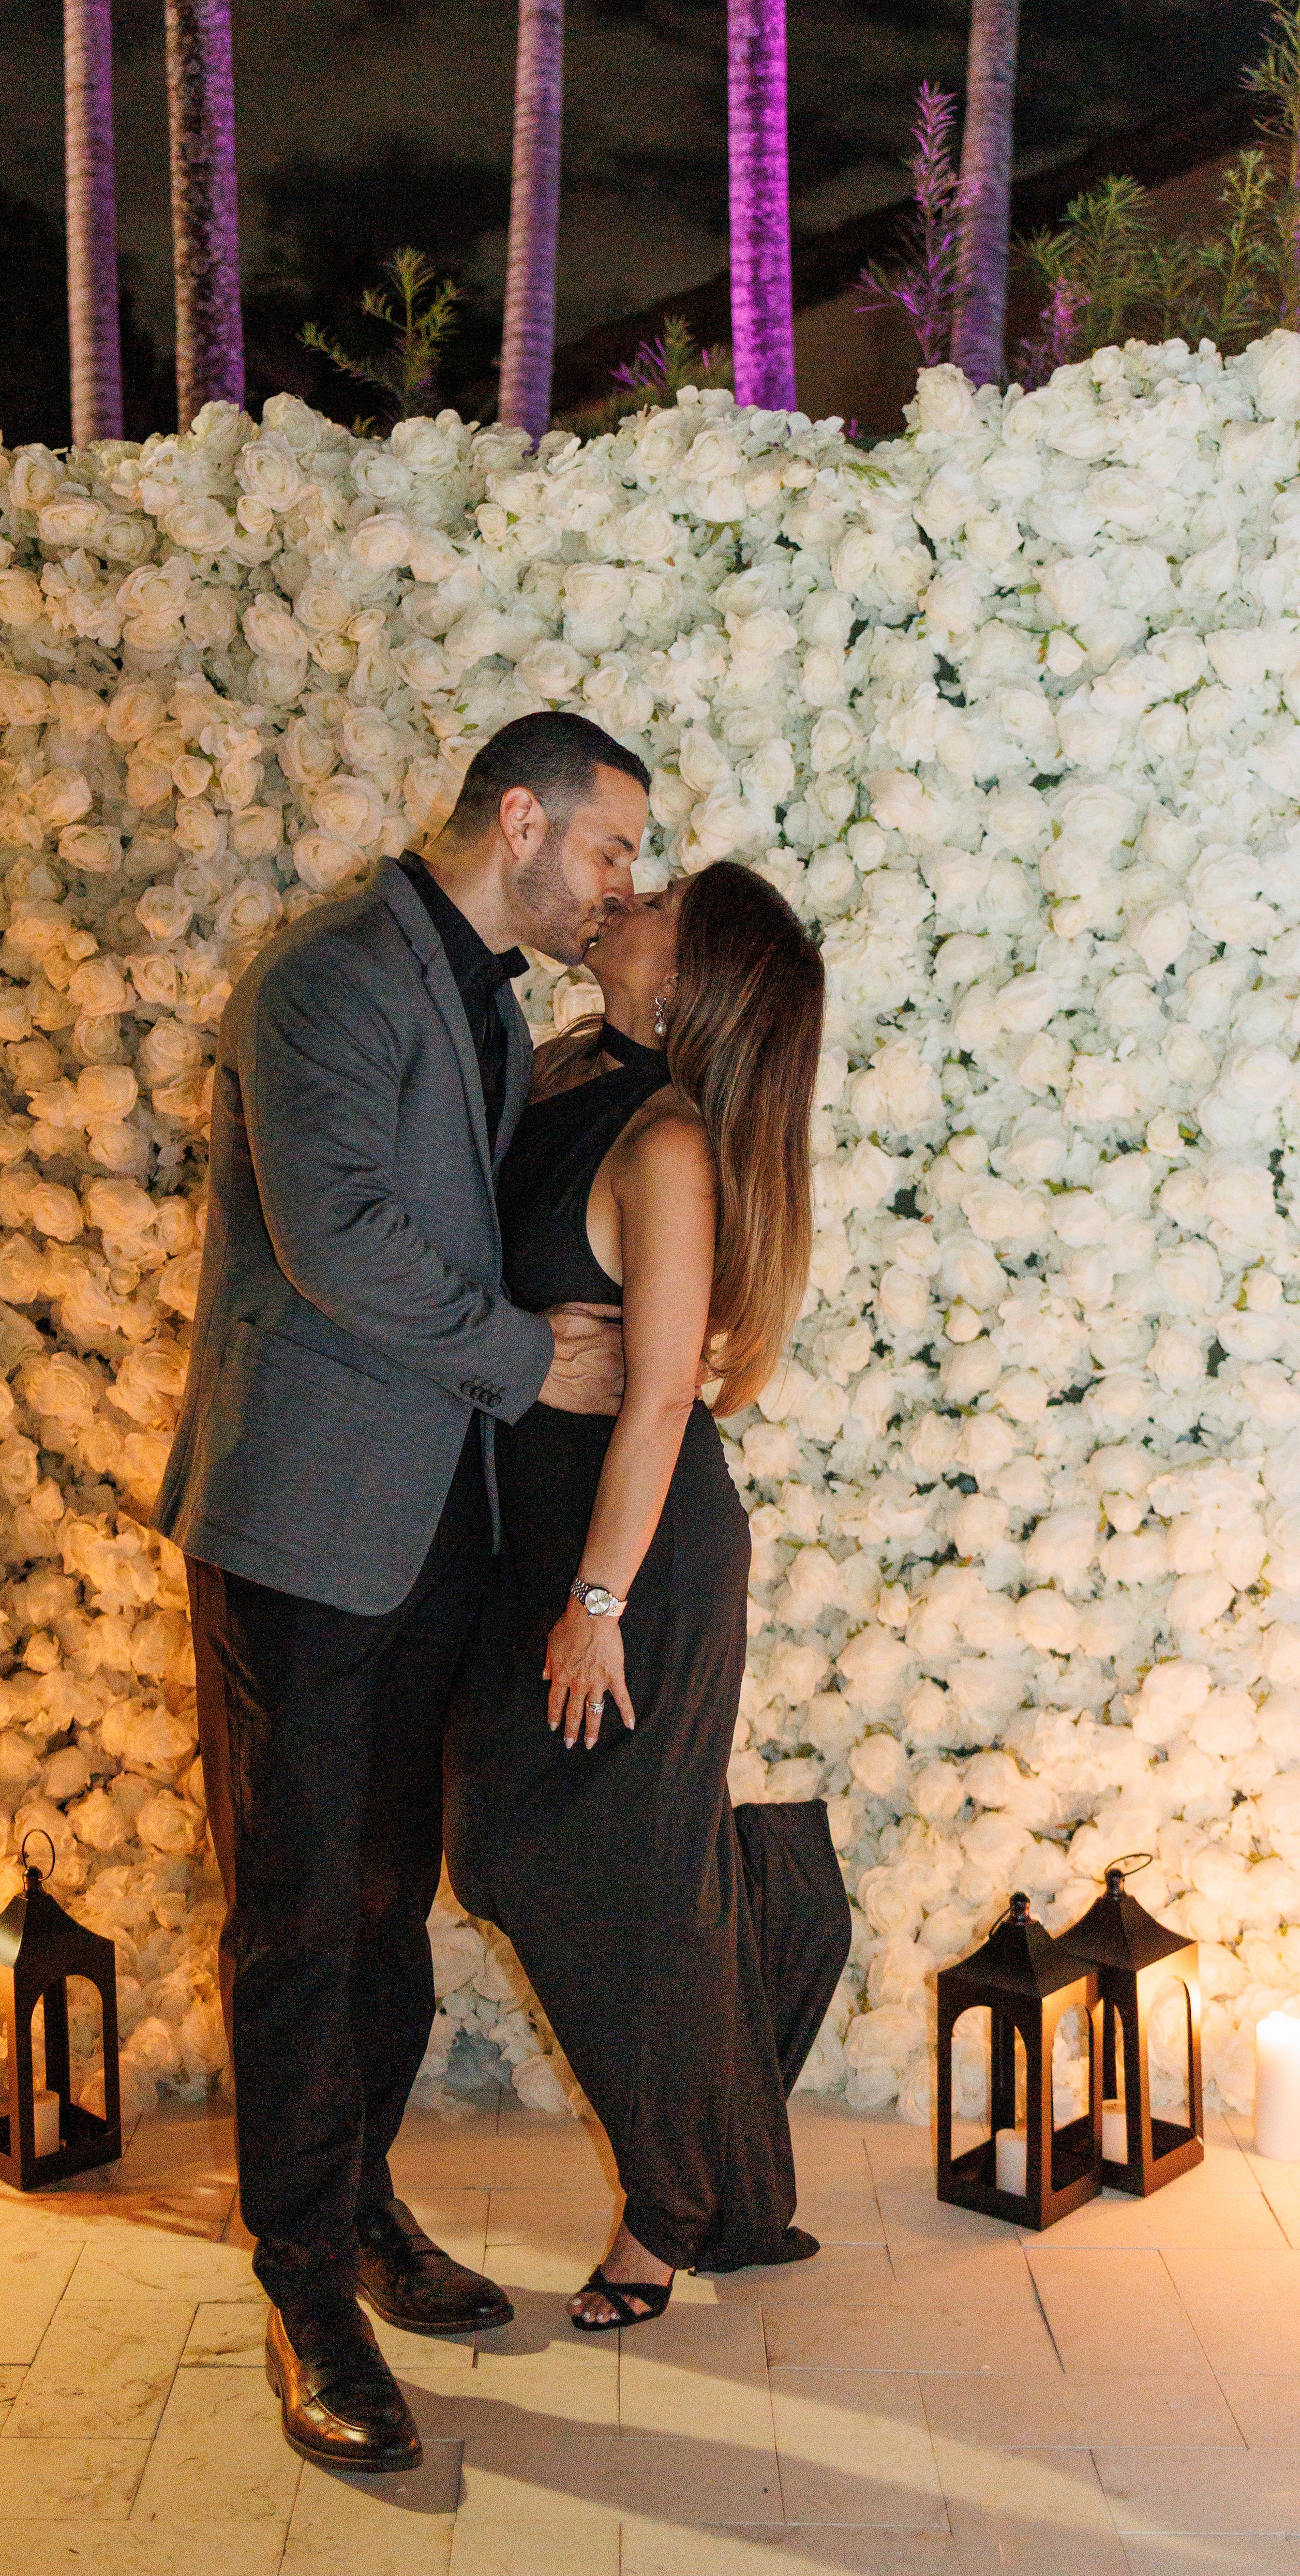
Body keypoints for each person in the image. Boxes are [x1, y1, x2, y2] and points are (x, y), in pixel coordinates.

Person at [153, 710, 651, 2471]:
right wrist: (534, 1362)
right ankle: (302, 2298)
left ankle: (356, 2205)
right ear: (521, 819)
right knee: (299, 1915)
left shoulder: (491, 994)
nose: (618, 887)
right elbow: (338, 1233)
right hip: (301, 1534)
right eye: (607, 851)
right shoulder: (325, 978)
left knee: (383, 1903)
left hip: (435, 1528)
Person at [447, 860, 853, 2329]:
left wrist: (599, 1603)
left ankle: (670, 2208)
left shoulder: (669, 1144)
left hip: (641, 1564)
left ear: (681, 981)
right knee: (515, 1852)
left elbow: (664, 1402)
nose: (636, 891)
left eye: (666, 896)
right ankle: (770, 1930)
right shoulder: (563, 1071)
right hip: (541, 1537)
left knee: (587, 1872)